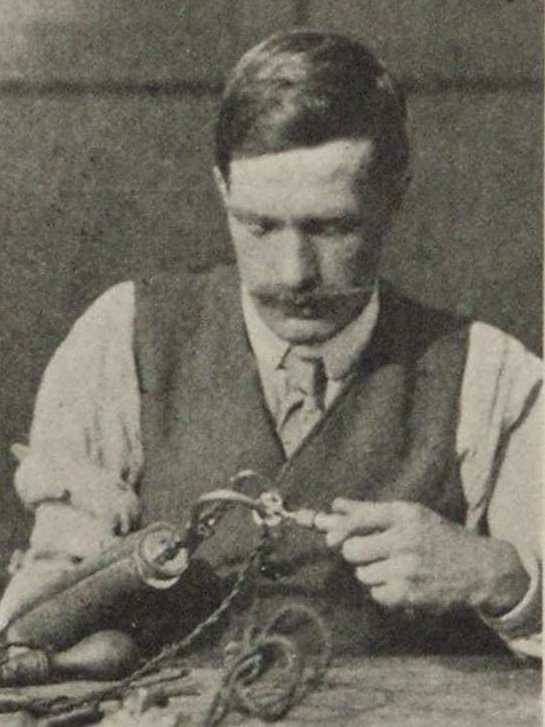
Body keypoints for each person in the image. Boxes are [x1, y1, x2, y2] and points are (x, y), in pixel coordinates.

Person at [0, 30, 541, 658]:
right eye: (258, 226)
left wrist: (503, 579)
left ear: (393, 198)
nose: (293, 274)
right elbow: (46, 605)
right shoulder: (122, 338)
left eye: (332, 228)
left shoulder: (491, 376)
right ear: (223, 191)